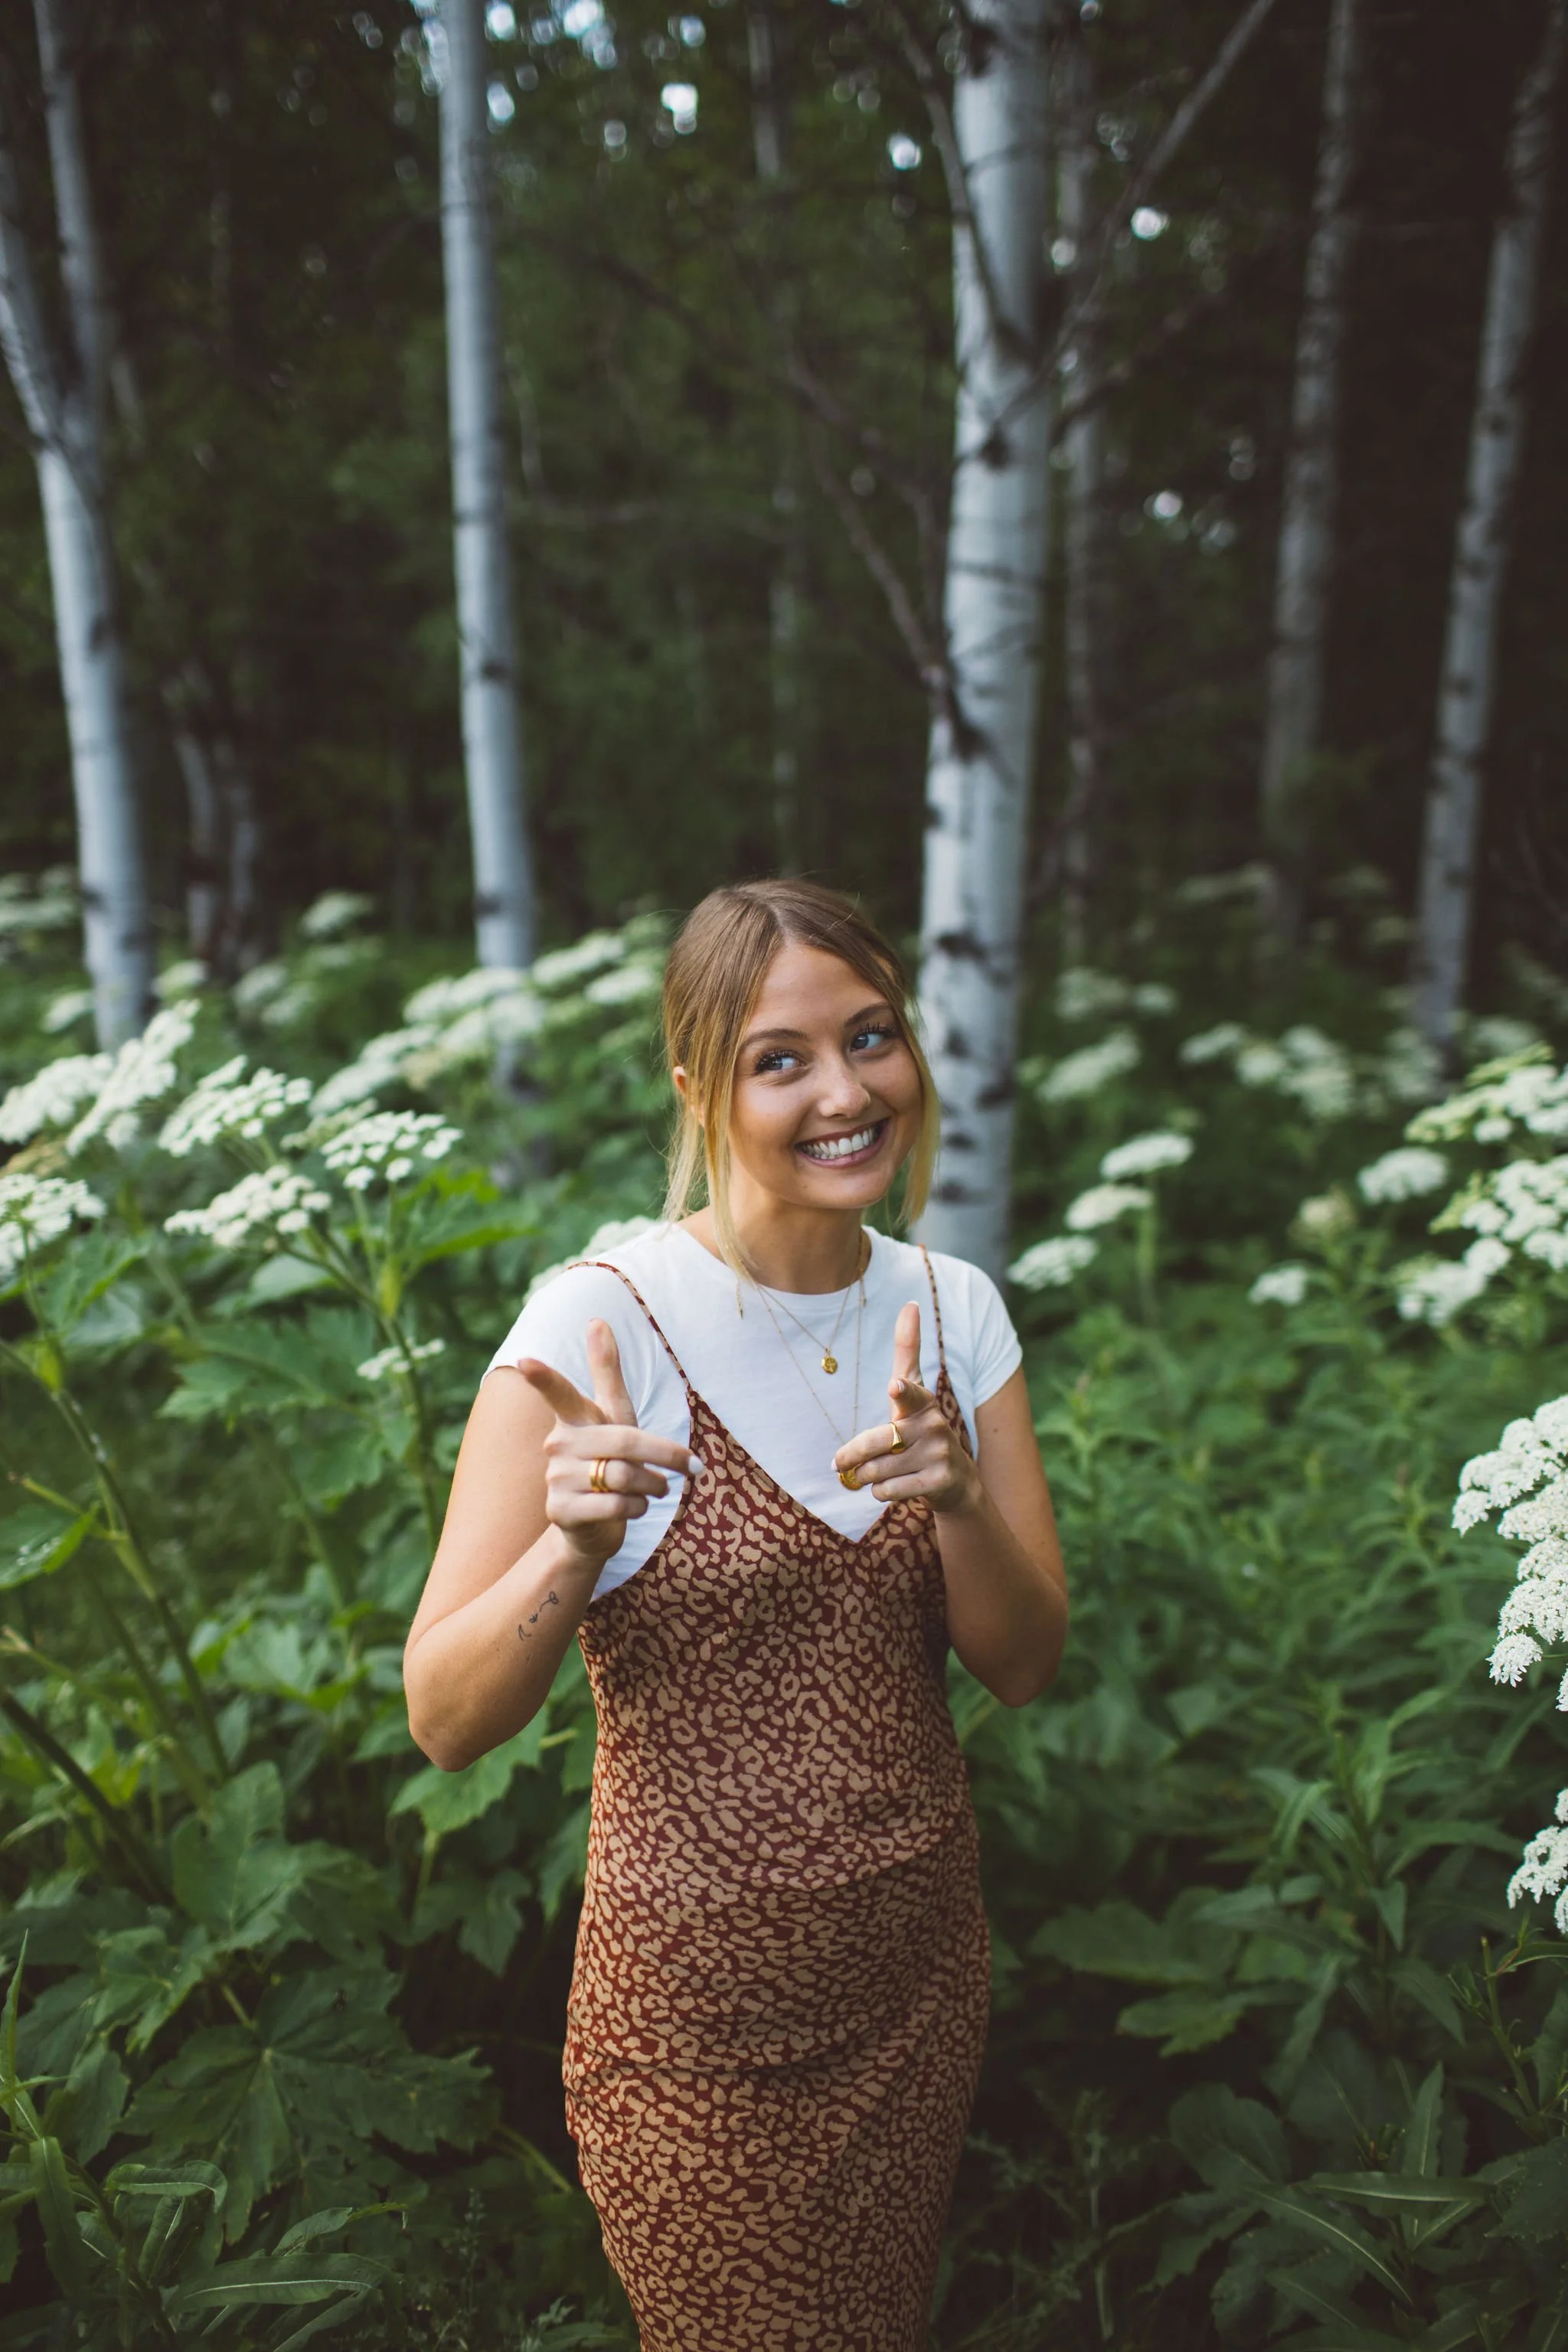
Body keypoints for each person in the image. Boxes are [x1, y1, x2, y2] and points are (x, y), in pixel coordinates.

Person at [403, 879, 1068, 2352]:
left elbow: (1024, 1667)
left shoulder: (953, 1312)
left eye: (874, 1037)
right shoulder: (598, 1324)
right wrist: (569, 1549)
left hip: (916, 1991)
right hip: (689, 2039)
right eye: (783, 1059)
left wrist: (956, 1498)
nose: (847, 1091)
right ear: (700, 1085)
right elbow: (445, 1721)